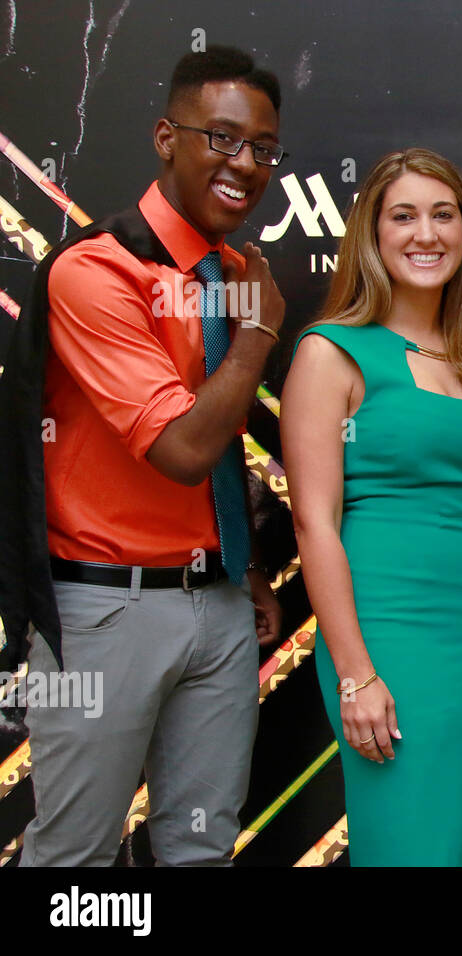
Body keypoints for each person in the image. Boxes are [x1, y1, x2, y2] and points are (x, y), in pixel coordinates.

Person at [0, 46, 286, 865]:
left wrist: (244, 566)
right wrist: (259, 333)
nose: (245, 165)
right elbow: (184, 447)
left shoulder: (235, 272)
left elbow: (224, 439)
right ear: (167, 136)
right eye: (222, 139)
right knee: (75, 855)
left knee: (201, 852)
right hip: (103, 615)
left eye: (264, 149)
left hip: (219, 606)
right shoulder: (95, 272)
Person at [280, 148, 462, 866]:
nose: (424, 234)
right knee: (407, 845)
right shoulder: (330, 353)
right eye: (403, 216)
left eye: (442, 215)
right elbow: (313, 522)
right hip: (388, 639)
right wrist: (356, 674)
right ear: (372, 233)